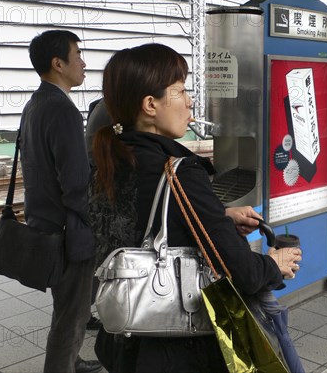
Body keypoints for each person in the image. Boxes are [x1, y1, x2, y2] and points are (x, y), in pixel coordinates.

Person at [88, 43, 302, 373]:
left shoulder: (107, 161)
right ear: (150, 105)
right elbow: (241, 272)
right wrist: (274, 264)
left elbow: (140, 223)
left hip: (120, 337)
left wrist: (221, 216)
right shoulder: (180, 171)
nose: (189, 101)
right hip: (175, 347)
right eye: (180, 90)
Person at [21, 30, 102, 373]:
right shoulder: (63, 110)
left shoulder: (35, 103)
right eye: (78, 55)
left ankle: (72, 361)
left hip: (45, 223)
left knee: (66, 305)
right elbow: (75, 183)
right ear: (58, 64)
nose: (83, 63)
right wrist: (99, 218)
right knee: (74, 313)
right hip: (69, 231)